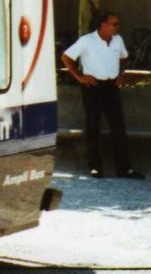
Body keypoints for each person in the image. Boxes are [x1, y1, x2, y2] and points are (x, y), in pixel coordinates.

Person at [61, 11, 145, 179]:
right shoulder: (87, 41)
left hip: (111, 86)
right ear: (103, 25)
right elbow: (66, 57)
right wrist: (80, 77)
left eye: (118, 24)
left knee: (119, 127)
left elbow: (124, 58)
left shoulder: (118, 40)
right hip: (93, 86)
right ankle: (95, 166)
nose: (118, 27)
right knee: (93, 126)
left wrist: (121, 74)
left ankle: (124, 168)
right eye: (115, 24)